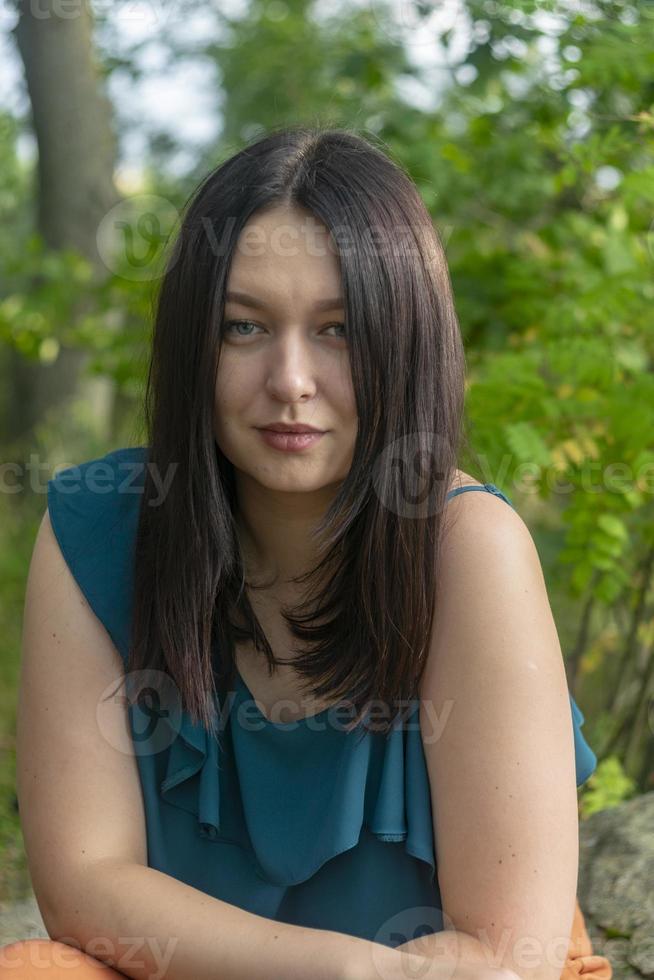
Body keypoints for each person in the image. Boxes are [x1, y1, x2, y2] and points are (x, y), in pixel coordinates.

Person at [9, 126, 612, 980]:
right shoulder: (102, 527)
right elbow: (86, 886)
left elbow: (500, 956)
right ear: (194, 344)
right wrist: (358, 973)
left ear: (403, 343)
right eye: (244, 327)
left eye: (338, 330)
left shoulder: (469, 549)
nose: (290, 379)